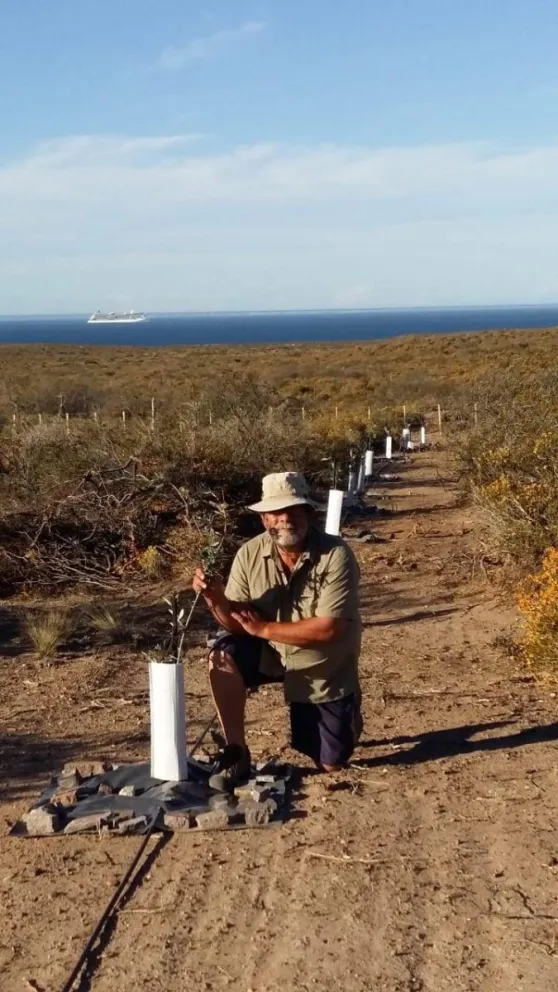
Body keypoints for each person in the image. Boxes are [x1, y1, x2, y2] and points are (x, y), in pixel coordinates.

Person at [192, 471, 362, 791]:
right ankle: (236, 750)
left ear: (309, 514)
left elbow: (328, 630)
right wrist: (216, 600)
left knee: (331, 763)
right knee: (223, 653)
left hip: (320, 662)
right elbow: (236, 627)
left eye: (294, 511)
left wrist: (263, 627)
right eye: (276, 512)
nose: (285, 519)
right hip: (269, 650)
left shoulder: (337, 555)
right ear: (263, 519)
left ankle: (348, 707)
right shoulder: (249, 554)